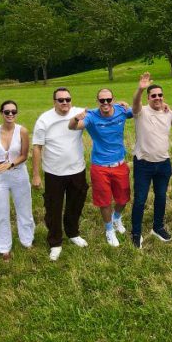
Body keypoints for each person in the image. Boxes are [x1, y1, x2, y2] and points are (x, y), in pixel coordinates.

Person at [69, 88, 133, 248]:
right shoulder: (91, 116)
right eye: (102, 100)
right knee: (104, 201)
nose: (105, 103)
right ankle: (109, 230)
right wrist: (76, 118)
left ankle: (116, 218)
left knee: (123, 199)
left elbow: (139, 111)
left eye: (108, 100)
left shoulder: (122, 110)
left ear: (113, 99)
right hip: (100, 166)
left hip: (120, 164)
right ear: (97, 101)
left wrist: (134, 99)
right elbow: (73, 127)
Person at [32, 87, 88, 261]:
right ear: (54, 102)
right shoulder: (44, 119)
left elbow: (103, 110)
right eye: (61, 100)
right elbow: (37, 147)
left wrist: (119, 104)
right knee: (53, 208)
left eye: (68, 99)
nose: (65, 102)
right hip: (54, 172)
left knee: (75, 204)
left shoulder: (79, 113)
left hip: (77, 170)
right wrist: (36, 174)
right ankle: (55, 242)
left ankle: (73, 233)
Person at [130, 72, 172, 248]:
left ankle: (158, 227)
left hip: (164, 163)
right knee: (140, 199)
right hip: (143, 163)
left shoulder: (168, 113)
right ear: (148, 98)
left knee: (161, 197)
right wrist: (140, 89)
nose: (157, 98)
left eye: (160, 95)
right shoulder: (141, 112)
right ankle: (136, 232)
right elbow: (135, 104)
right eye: (153, 95)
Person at [0, 100, 35, 260]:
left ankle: (27, 241)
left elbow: (24, 155)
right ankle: (2, 247)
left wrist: (11, 164)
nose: (10, 114)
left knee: (24, 209)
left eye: (13, 112)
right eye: (7, 112)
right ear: (1, 113)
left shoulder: (22, 131)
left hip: (19, 175)